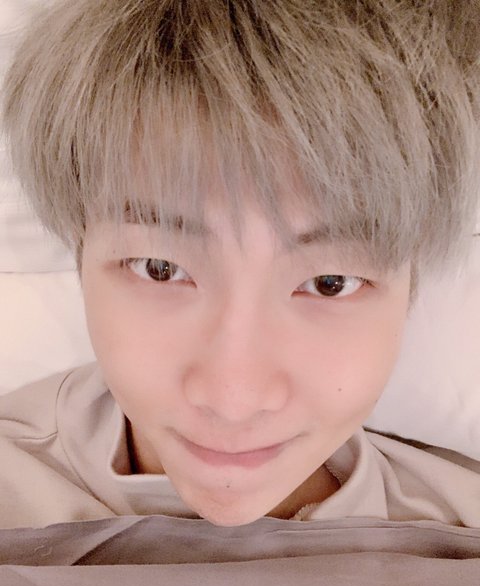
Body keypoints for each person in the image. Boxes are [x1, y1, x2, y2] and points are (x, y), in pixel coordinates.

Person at [1, 0, 480, 530]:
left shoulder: (458, 535)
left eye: (330, 283)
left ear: (410, 286)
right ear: (80, 252)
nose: (234, 401)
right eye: (160, 268)